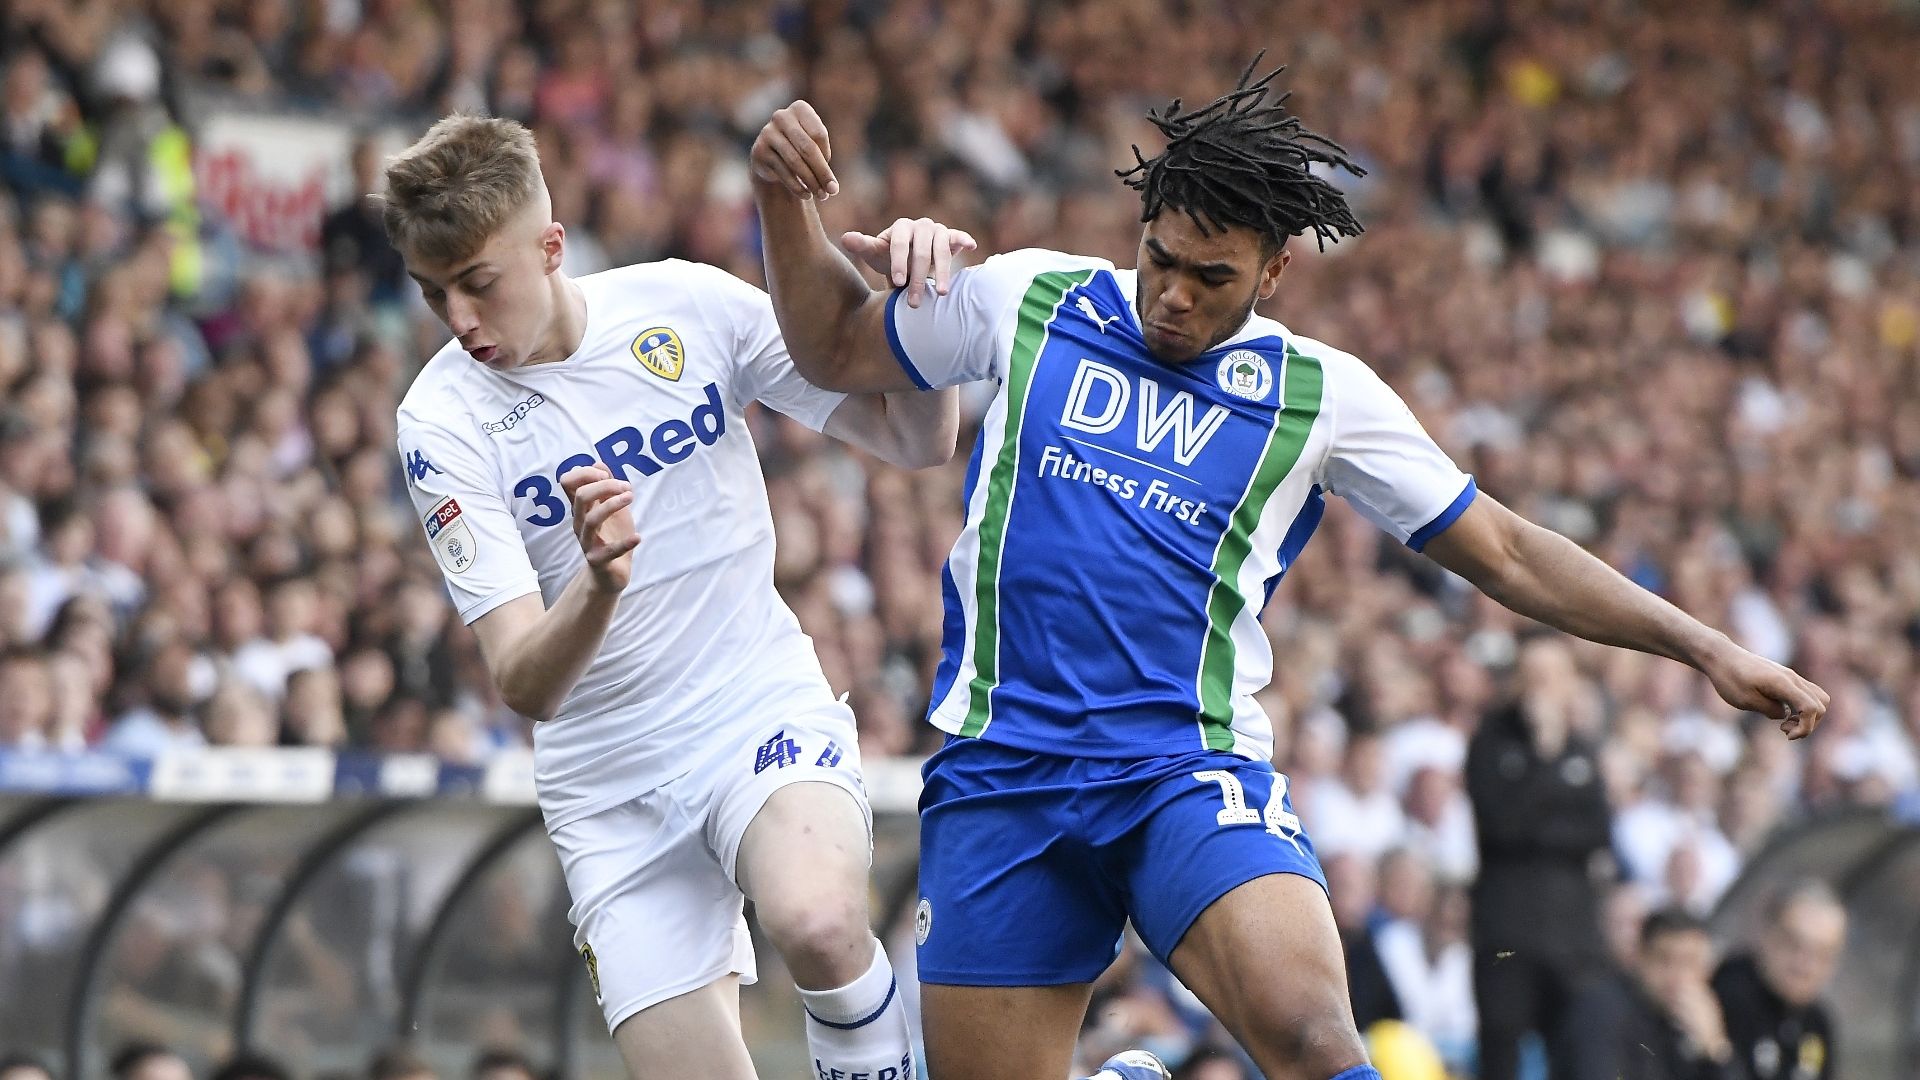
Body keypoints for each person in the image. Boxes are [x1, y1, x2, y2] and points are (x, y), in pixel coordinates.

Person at [747, 54, 1830, 1080]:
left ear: (1273, 270)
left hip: (1181, 770)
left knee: (1313, 1037)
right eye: (1159, 260)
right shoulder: (1033, 301)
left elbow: (1504, 549)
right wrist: (785, 204)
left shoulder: (1321, 395)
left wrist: (1707, 646)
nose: (1171, 295)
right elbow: (834, 348)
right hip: (1004, 772)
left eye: (1209, 278)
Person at [386, 114, 959, 1080]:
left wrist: (920, 311)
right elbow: (525, 683)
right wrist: (601, 585)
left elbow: (914, 439)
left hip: (750, 706)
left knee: (817, 923)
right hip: (606, 782)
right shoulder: (439, 420)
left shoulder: (686, 306)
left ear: (551, 246)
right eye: (433, 293)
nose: (459, 321)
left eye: (479, 284)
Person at [1465, 635, 1617, 1080]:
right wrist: (1544, 757)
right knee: (1501, 1057)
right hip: (1506, 933)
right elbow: (1500, 826)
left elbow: (1597, 833)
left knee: (1579, 1055)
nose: (1541, 690)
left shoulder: (1584, 747)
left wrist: (1540, 819)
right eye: (1532, 678)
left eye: (1551, 678)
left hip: (1573, 936)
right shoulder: (1490, 739)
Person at [1712, 880, 1845, 1080]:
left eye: (1822, 954)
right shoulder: (1726, 996)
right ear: (1766, 934)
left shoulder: (1817, 1022)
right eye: (1793, 945)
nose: (1805, 965)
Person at [1609, 908, 1743, 1080]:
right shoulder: (1610, 1013)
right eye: (1664, 960)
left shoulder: (1705, 1021)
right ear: (1640, 957)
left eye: (1688, 962)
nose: (1676, 976)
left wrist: (1715, 1047)